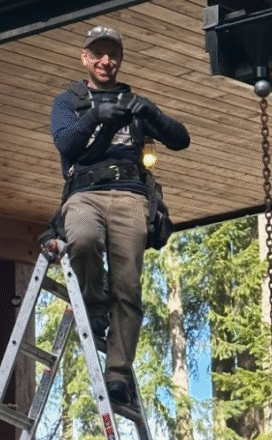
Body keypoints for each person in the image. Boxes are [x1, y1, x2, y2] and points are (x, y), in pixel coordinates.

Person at [50, 25, 190, 406]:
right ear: (85, 58)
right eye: (98, 53)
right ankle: (94, 305)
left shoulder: (134, 103)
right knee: (81, 239)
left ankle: (117, 374)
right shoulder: (69, 101)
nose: (105, 61)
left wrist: (154, 114)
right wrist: (97, 116)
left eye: (112, 54)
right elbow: (66, 143)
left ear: (120, 59)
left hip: (131, 196)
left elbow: (181, 139)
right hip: (85, 193)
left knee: (128, 287)